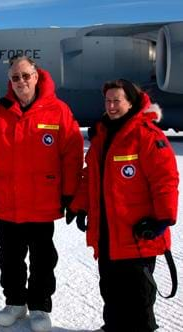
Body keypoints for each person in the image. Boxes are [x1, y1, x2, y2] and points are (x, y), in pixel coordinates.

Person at [0, 55, 84, 332]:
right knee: (9, 256)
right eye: (15, 77)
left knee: (42, 258)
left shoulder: (58, 111)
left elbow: (71, 155)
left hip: (42, 202)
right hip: (7, 201)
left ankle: (39, 307)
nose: (20, 81)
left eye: (25, 75)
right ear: (10, 81)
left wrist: (71, 193)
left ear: (36, 76)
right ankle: (15, 303)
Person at [66, 79, 179, 332]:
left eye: (117, 100)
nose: (112, 106)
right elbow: (90, 176)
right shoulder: (102, 136)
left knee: (138, 297)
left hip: (137, 233)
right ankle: (113, 326)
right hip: (107, 232)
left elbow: (166, 179)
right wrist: (80, 206)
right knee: (110, 288)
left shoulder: (146, 135)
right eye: (108, 101)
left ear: (131, 102)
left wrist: (162, 219)